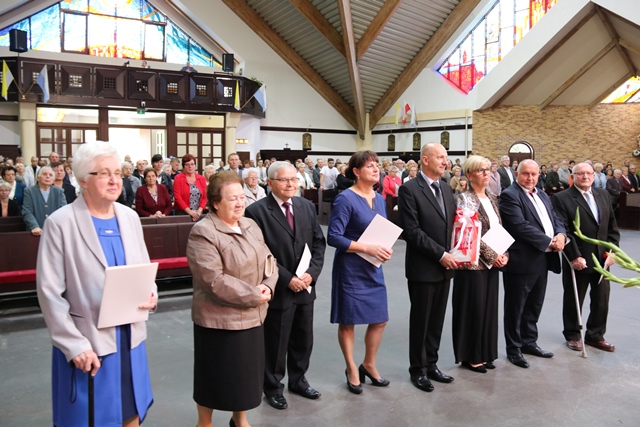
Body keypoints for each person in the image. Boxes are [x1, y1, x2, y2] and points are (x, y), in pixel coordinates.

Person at [36, 141, 156, 427]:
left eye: (117, 173)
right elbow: (50, 293)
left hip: (130, 337)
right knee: (91, 417)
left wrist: (151, 295)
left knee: (132, 410)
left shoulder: (129, 217)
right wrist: (74, 345)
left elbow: (143, 271)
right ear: (82, 180)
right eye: (103, 173)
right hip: (87, 340)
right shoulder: (61, 223)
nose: (114, 180)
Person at [187, 171, 277, 427]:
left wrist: (268, 286)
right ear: (216, 203)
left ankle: (240, 419)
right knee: (213, 377)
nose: (240, 203)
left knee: (245, 377)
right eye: (232, 199)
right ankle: (204, 422)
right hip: (219, 321)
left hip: (253, 315)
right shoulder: (203, 232)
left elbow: (270, 260)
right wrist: (255, 295)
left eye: (241, 197)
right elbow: (214, 281)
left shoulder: (250, 225)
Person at [245, 161, 326, 410]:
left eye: (294, 179)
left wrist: (312, 274)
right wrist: (287, 278)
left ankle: (299, 381)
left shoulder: (305, 206)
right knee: (276, 342)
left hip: (306, 285)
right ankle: (272, 387)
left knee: (304, 338)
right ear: (269, 183)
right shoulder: (256, 212)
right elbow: (260, 253)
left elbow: (318, 243)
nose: (291, 184)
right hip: (280, 287)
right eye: (284, 180)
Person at [327, 150, 391, 395]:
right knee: (348, 320)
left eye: (377, 165)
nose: (376, 169)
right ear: (356, 172)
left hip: (372, 266)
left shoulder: (380, 198)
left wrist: (384, 248)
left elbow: (381, 230)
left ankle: (369, 364)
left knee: (380, 319)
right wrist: (367, 247)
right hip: (351, 268)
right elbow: (334, 237)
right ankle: (351, 367)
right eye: (369, 166)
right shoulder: (345, 199)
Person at [397, 142, 457, 392]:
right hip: (424, 266)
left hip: (446, 266)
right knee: (421, 320)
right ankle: (418, 369)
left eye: (446, 157)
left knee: (437, 320)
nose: (445, 162)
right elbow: (411, 231)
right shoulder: (409, 189)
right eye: (440, 157)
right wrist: (441, 254)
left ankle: (431, 364)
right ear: (425, 160)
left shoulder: (446, 188)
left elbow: (451, 226)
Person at [499, 159, 566, 368]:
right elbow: (519, 226)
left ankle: (529, 342)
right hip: (522, 260)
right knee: (516, 306)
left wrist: (561, 235)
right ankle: (514, 349)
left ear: (538, 176)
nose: (530, 178)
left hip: (542, 258)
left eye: (534, 174)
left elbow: (555, 218)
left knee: (534, 304)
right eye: (525, 173)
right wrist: (549, 242)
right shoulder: (510, 195)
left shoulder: (542, 194)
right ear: (517, 174)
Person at [551, 162, 620, 353]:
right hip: (578, 258)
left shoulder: (603, 195)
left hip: (602, 259)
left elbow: (612, 227)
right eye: (580, 173)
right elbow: (563, 229)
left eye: (589, 173)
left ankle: (595, 335)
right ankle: (573, 335)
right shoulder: (562, 198)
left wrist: (613, 252)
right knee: (574, 299)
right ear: (573, 176)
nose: (585, 176)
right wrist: (574, 256)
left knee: (601, 300)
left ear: (594, 175)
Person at [452, 156, 509, 373]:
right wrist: (493, 255)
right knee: (473, 310)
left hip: (492, 263)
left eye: (487, 169)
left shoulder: (493, 197)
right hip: (472, 263)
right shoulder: (464, 199)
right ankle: (471, 356)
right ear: (469, 175)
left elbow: (499, 228)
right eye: (480, 170)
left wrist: (504, 252)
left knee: (489, 309)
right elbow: (469, 233)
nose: (486, 173)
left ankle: (485, 352)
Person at [22, 166, 67, 236]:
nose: (48, 176)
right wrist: (34, 226)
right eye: (44, 174)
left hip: (55, 231)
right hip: (36, 232)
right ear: (38, 178)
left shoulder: (59, 191)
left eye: (50, 175)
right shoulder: (29, 191)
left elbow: (64, 211)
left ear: (53, 179)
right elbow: (27, 211)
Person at [173, 154, 207, 221]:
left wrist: (199, 211)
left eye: (192, 164)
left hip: (199, 213)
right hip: (182, 213)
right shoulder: (178, 178)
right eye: (187, 164)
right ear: (183, 166)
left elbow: (205, 197)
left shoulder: (201, 178)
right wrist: (189, 212)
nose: (190, 166)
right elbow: (177, 197)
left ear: (195, 165)